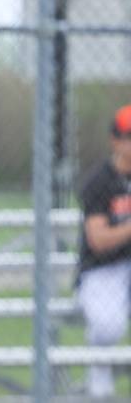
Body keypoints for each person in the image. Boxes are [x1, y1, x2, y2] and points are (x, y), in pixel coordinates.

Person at [75, 104, 131, 398]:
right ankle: (100, 369)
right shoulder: (99, 180)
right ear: (115, 141)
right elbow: (98, 239)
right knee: (108, 328)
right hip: (102, 268)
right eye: (129, 136)